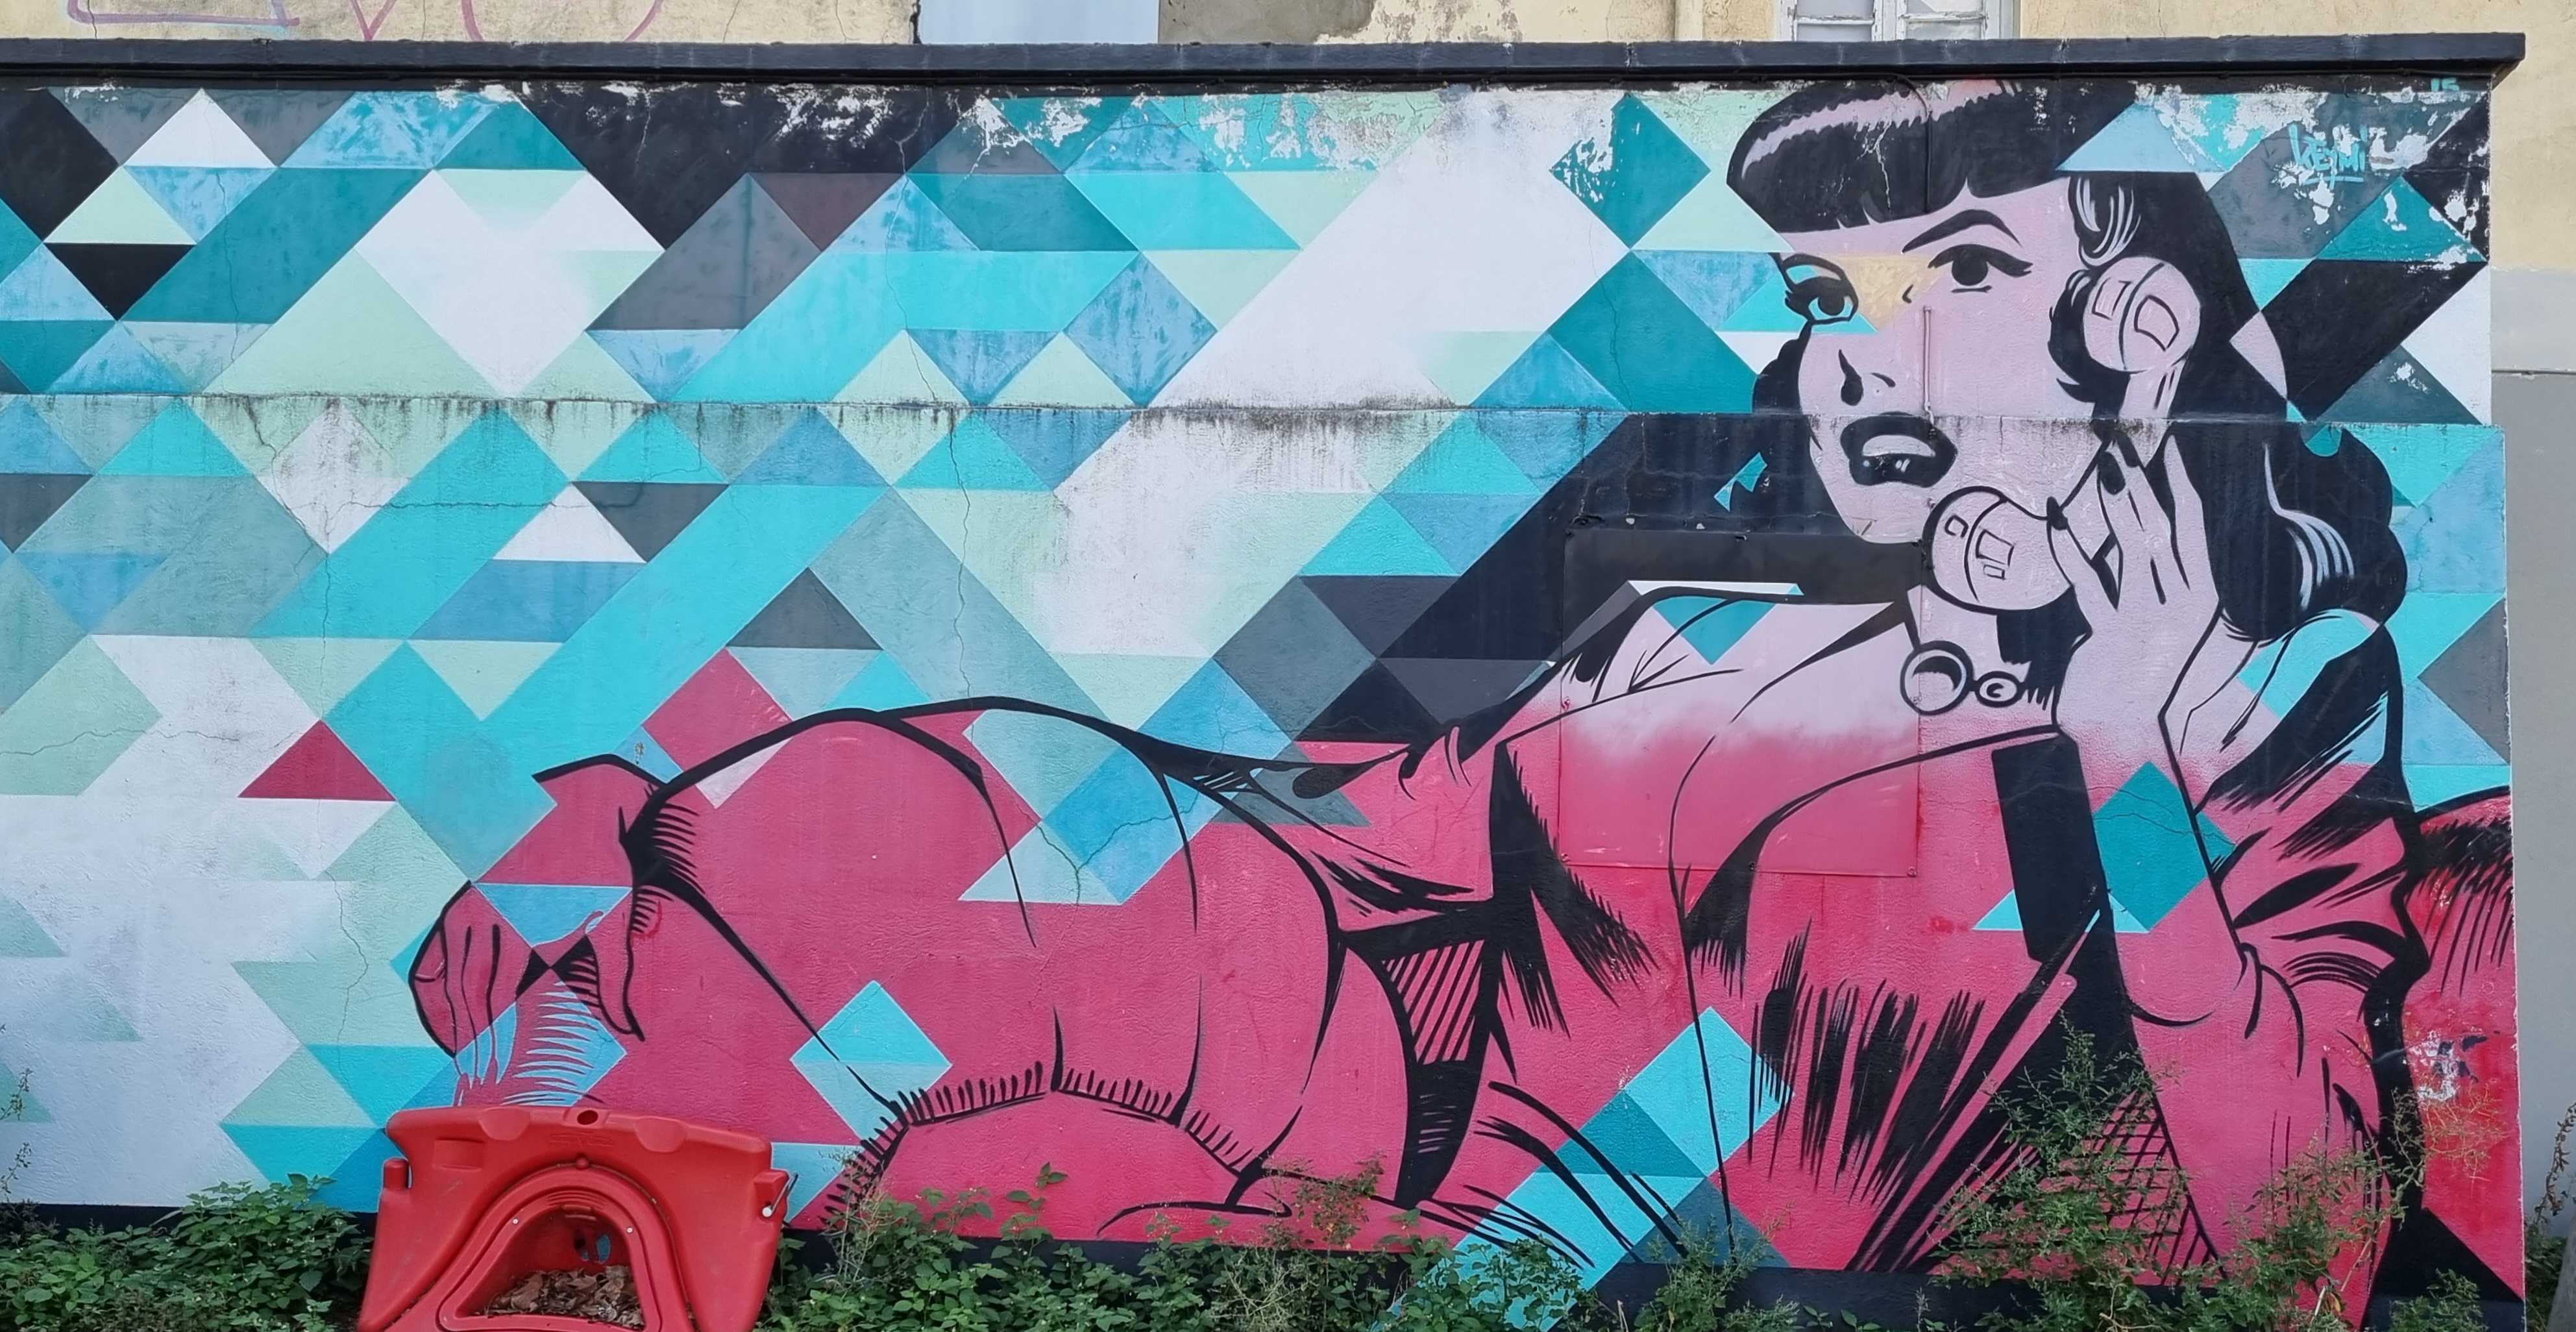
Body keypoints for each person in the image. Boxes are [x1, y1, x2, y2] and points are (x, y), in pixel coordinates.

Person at [408, 79, 2437, 1284]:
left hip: (1511, 1220)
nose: (1856, 360)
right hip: (1350, 1056)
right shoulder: (1725, 617)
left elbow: (2315, 1235)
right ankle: (544, 1167)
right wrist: (727, 816)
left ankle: (553, 1195)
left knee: (920, 1057)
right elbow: (1374, 825)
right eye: (1830, 298)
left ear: (2136, 321)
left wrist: (2124, 763)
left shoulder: (2270, 694)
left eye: (1959, 276)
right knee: (863, 817)